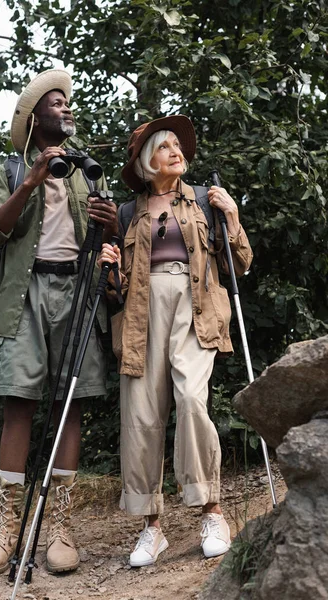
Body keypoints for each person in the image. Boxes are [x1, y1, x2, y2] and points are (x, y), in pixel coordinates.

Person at [0, 69, 117, 576]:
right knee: (18, 401)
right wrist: (32, 180)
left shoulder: (88, 171)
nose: (67, 107)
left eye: (67, 102)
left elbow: (109, 240)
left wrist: (112, 224)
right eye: (56, 103)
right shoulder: (9, 171)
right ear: (35, 119)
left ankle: (60, 526)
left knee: (70, 402)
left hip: (77, 292)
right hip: (24, 294)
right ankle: (7, 530)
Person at [98, 115, 253, 567]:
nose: (176, 152)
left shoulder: (205, 200)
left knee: (190, 400)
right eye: (165, 147)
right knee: (141, 415)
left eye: (177, 147)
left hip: (195, 308)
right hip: (141, 317)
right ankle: (151, 528)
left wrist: (233, 215)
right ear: (149, 162)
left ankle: (212, 511)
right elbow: (115, 290)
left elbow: (239, 264)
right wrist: (109, 264)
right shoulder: (129, 213)